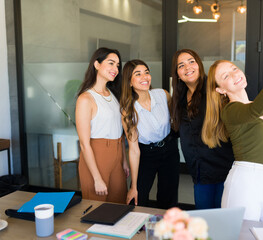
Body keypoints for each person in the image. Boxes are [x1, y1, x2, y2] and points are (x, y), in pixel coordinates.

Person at [202, 36, 263, 225]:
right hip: (245, 182)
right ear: (220, 90)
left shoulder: (257, 105)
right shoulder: (230, 112)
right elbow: (256, 110)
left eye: (234, 69)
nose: (234, 74)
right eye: (226, 76)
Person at [171, 49, 234, 209]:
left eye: (191, 61)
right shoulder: (179, 98)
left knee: (223, 224)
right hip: (199, 173)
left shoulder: (216, 90)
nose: (187, 67)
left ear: (199, 65)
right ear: (177, 73)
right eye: (181, 65)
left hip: (223, 171)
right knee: (205, 222)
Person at [120, 59, 180, 209]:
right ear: (129, 82)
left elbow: (177, 117)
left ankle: (167, 230)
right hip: (146, 153)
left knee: (168, 197)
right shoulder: (128, 110)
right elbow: (133, 149)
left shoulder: (163, 95)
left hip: (169, 150)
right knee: (138, 197)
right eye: (138, 74)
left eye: (146, 72)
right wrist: (133, 186)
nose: (145, 77)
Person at [76, 47, 129, 203]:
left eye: (118, 65)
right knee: (96, 209)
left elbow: (119, 131)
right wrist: (97, 178)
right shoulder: (86, 98)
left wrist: (124, 160)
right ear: (96, 64)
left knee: (119, 205)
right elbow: (84, 144)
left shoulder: (113, 94)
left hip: (117, 153)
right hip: (96, 155)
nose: (115, 69)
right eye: (111, 63)